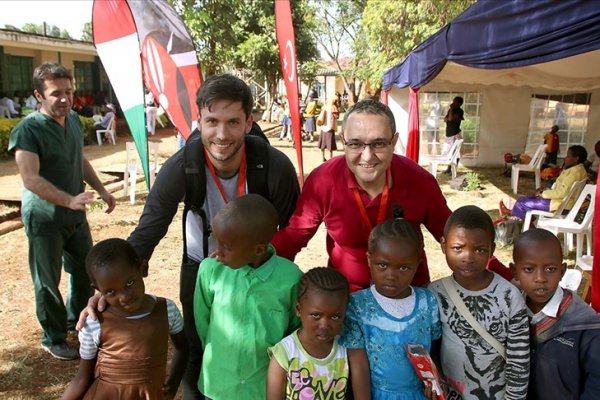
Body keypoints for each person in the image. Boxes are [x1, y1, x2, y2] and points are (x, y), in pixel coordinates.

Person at [78, 73, 300, 399]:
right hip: (201, 269)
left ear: (249, 122)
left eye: (232, 122)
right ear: (199, 120)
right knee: (199, 347)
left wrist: (265, 268)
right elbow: (149, 230)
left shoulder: (274, 167)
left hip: (259, 269)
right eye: (211, 121)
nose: (221, 134)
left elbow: (292, 230)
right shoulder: (184, 166)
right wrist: (105, 289)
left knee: (267, 347)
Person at [273, 99, 453, 291]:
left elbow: (453, 237)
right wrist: (251, 261)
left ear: (393, 142)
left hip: (409, 295)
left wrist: (489, 266)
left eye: (379, 144)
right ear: (343, 142)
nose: (367, 156)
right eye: (356, 144)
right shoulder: (323, 180)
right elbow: (294, 237)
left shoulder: (420, 181)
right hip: (347, 297)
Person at [8, 62, 116, 360]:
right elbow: (30, 178)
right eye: (56, 93)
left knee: (86, 271)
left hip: (75, 215)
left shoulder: (71, 122)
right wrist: (68, 200)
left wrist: (103, 189)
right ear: (38, 95)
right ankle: (53, 337)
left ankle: (76, 321)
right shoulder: (27, 130)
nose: (65, 99)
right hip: (44, 218)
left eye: (69, 92)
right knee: (47, 280)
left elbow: (78, 160)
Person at [194, 194, 303, 399]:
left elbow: (294, 328)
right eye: (218, 242)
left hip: (264, 388)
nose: (218, 252)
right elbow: (203, 321)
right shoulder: (210, 270)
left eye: (227, 247)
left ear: (258, 249)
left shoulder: (291, 278)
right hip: (219, 384)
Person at [62, 239, 188, 400]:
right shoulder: (94, 323)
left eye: (129, 283)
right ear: (97, 290)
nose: (124, 297)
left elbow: (183, 348)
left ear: (143, 269)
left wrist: (172, 385)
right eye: (110, 292)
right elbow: (82, 378)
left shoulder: (167, 310)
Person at [428, 206, 529, 400]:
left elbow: (519, 363)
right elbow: (431, 348)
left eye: (480, 250)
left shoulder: (509, 296)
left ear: (492, 249)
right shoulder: (435, 294)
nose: (468, 257)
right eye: (458, 248)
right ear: (443, 245)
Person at [340, 216, 441, 400]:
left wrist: (436, 383)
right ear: (369, 259)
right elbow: (359, 366)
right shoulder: (358, 306)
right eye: (382, 265)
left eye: (403, 268)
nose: (391, 275)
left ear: (417, 265)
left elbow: (433, 352)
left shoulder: (427, 302)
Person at [510, 229, 600, 399]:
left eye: (550, 269)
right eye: (529, 269)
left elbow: (597, 382)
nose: (540, 278)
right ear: (514, 272)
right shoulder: (507, 311)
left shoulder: (584, 324)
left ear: (562, 271)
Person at [267, 267, 371, 400]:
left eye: (335, 317)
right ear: (299, 309)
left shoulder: (346, 347)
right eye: (316, 315)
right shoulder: (285, 353)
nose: (324, 325)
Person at [500, 145, 588, 220]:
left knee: (522, 202)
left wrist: (543, 193)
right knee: (528, 198)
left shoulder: (574, 173)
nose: (565, 158)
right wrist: (546, 189)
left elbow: (563, 192)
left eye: (568, 156)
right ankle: (521, 219)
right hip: (563, 203)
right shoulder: (579, 170)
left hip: (560, 205)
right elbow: (563, 189)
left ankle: (515, 222)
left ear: (576, 159)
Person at [442, 96, 464, 173]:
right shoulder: (451, 110)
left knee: (456, 153)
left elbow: (450, 119)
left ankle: (454, 169)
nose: (452, 103)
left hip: (455, 134)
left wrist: (451, 109)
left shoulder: (460, 111)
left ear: (459, 103)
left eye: (454, 102)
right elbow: (445, 119)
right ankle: (449, 168)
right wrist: (450, 114)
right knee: (449, 152)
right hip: (449, 134)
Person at [318, 96, 339, 162]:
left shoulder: (324, 106)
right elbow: (336, 116)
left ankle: (323, 157)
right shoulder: (333, 107)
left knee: (322, 143)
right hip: (330, 127)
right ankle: (330, 158)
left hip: (323, 126)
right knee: (330, 144)